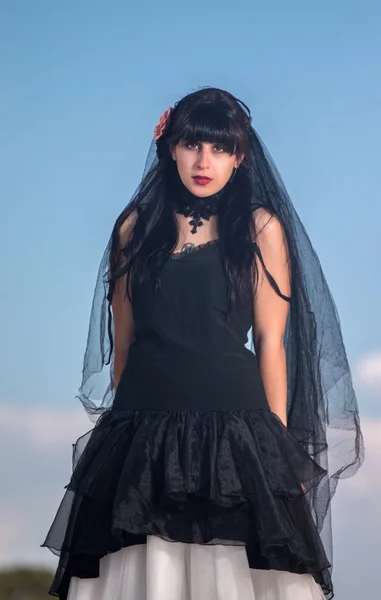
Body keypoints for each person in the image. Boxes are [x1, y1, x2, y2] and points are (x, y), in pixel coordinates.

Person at [42, 87, 364, 600]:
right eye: (192, 144)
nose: (204, 161)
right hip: (141, 430)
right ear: (170, 146)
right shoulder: (132, 229)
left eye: (220, 149)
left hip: (234, 431)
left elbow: (271, 343)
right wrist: (134, 432)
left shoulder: (260, 228)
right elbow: (122, 341)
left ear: (239, 158)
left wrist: (278, 452)